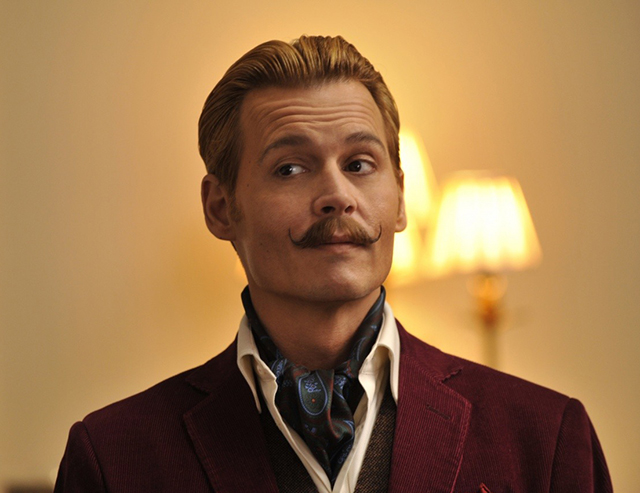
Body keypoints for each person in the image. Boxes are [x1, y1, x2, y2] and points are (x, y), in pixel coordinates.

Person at [54, 35, 612, 493]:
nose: (337, 196)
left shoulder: (546, 439)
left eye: (360, 163)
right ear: (221, 208)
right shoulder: (113, 458)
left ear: (400, 196)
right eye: (290, 169)